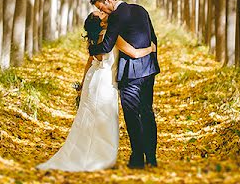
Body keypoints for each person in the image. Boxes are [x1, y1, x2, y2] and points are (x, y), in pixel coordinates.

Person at [37, 10, 155, 171]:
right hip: (105, 81)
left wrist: (82, 85)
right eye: (100, 13)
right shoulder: (111, 35)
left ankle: (87, 152)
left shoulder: (95, 38)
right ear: (101, 23)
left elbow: (89, 63)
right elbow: (133, 53)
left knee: (88, 117)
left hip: (93, 79)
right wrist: (150, 49)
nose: (103, 12)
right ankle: (100, 156)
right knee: (103, 119)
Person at [88, 0, 160, 168]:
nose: (102, 12)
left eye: (101, 8)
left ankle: (137, 158)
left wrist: (90, 49)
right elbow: (154, 39)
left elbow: (106, 46)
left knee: (132, 115)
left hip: (130, 73)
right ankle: (151, 158)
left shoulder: (116, 16)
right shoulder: (141, 9)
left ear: (107, 1)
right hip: (148, 69)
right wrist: (151, 59)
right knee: (147, 112)